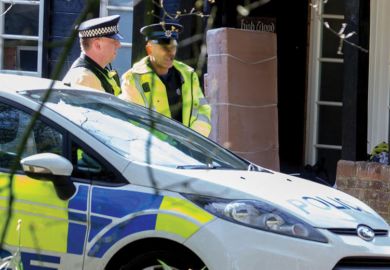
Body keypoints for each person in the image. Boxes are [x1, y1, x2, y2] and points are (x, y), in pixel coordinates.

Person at [120, 22, 212, 137]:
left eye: (173, 47)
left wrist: (192, 140)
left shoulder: (188, 74)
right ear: (149, 49)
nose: (170, 54)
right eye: (164, 48)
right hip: (154, 151)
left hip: (187, 149)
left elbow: (203, 111)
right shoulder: (133, 78)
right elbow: (134, 121)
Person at [63, 15, 123, 95]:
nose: (119, 45)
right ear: (97, 45)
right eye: (114, 41)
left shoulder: (95, 72)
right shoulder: (85, 78)